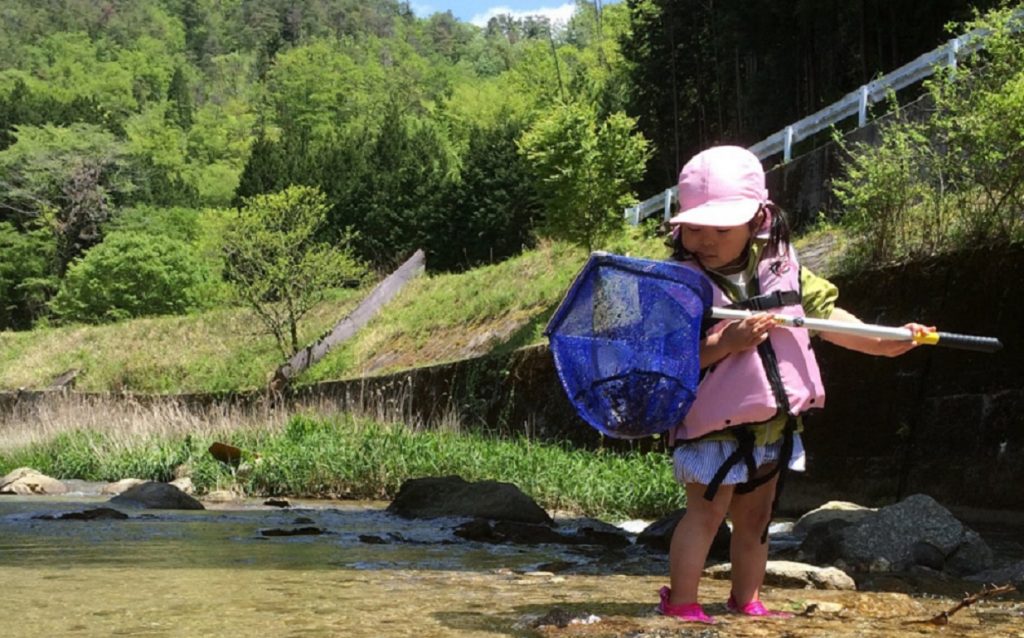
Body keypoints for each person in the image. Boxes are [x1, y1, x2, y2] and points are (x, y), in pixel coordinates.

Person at [657, 145, 934, 624]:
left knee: (757, 519)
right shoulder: (680, 285)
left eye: (721, 228)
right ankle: (681, 602)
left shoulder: (785, 268)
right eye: (695, 227)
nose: (705, 239)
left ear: (758, 219)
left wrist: (886, 341)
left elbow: (829, 320)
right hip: (711, 428)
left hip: (774, 424)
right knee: (704, 516)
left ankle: (746, 601)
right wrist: (727, 343)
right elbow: (669, 359)